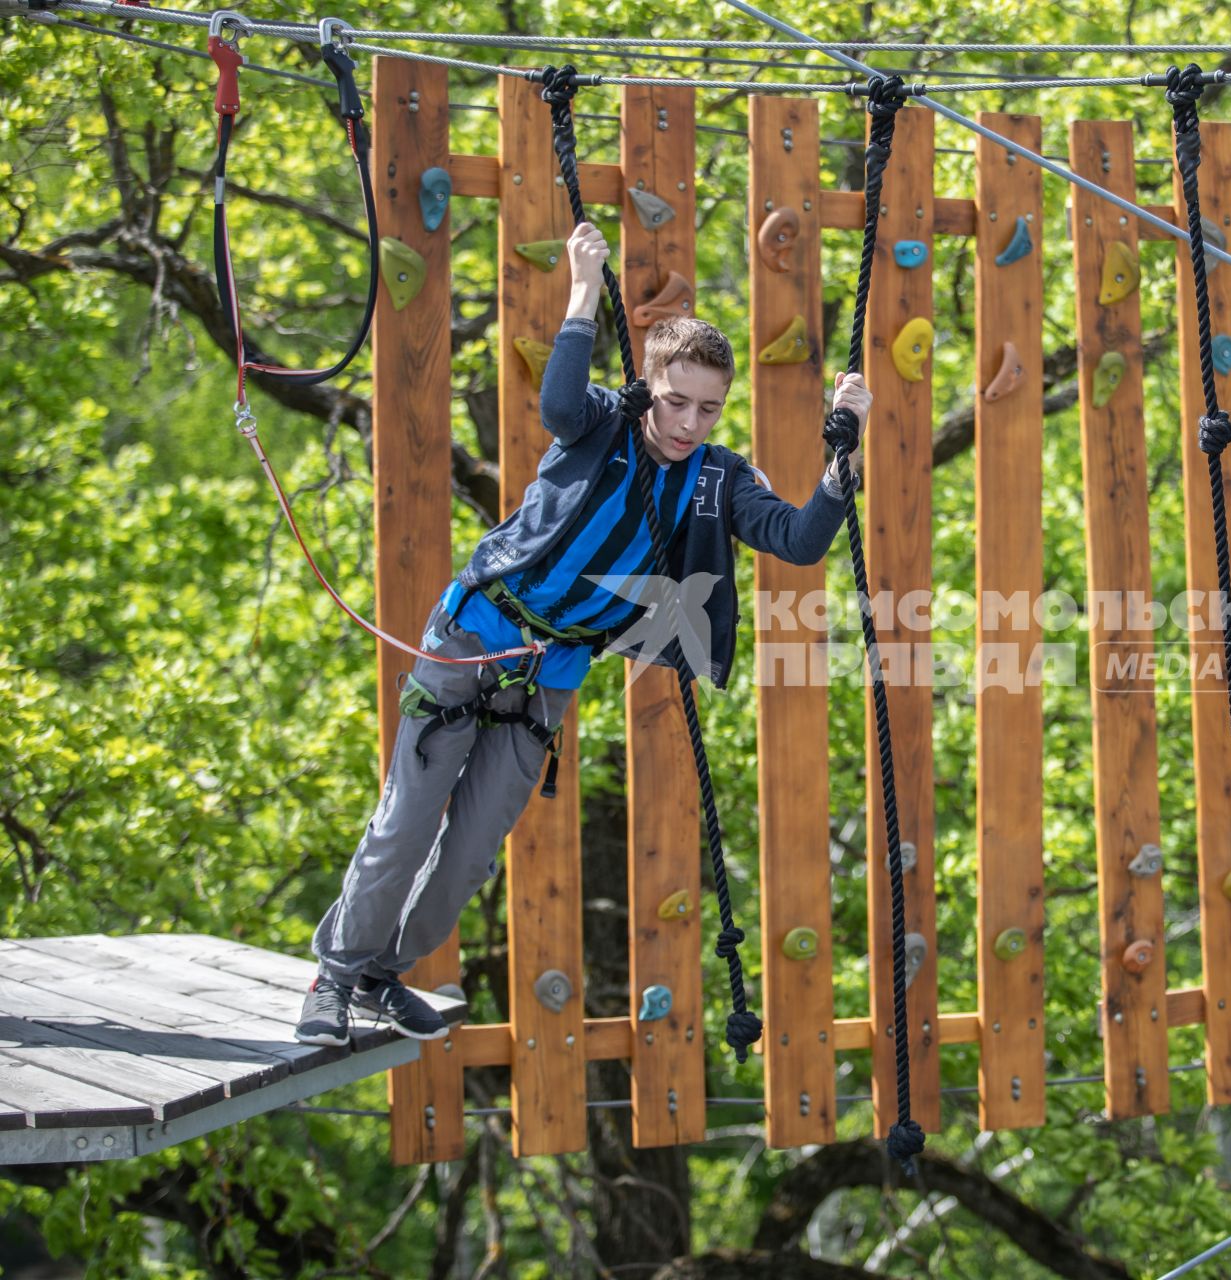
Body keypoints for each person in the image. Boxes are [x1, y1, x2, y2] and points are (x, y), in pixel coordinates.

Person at [296, 221, 868, 1044]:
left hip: (550, 674)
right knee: (408, 822)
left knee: (471, 852)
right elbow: (559, 402)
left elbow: (799, 540)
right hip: (477, 638)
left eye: (708, 409)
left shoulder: (719, 477)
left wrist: (840, 466)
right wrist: (582, 290)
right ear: (651, 384)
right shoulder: (604, 422)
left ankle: (383, 973)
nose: (688, 423)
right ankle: (337, 975)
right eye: (675, 401)